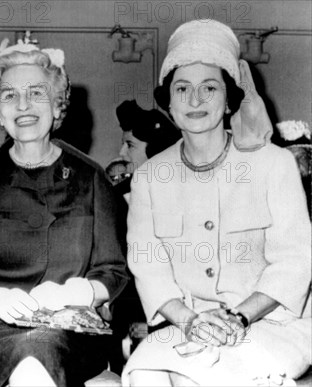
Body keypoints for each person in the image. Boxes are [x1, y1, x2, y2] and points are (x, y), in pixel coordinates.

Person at [122, 19, 311, 386]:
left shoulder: (275, 165)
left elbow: (295, 260)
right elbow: (149, 268)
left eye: (209, 87)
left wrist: (237, 318)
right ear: (168, 103)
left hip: (268, 324)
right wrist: (190, 320)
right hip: (186, 323)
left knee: (201, 378)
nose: (195, 101)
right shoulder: (148, 178)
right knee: (145, 375)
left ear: (229, 100)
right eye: (182, 89)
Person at [0, 38, 128, 386]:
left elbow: (113, 271)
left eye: (37, 93)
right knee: (29, 361)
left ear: (57, 105)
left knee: (40, 354)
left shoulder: (91, 179)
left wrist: (75, 293)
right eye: (9, 95)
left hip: (71, 329)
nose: (23, 104)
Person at [106, 100, 181, 373]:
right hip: (124, 318)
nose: (121, 153)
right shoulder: (116, 194)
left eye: (130, 145)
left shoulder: (181, 201)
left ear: (157, 151)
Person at [111, 99, 181, 196]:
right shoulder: (119, 194)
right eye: (123, 145)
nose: (122, 152)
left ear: (154, 151)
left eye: (130, 145)